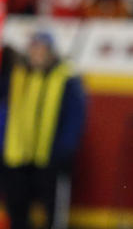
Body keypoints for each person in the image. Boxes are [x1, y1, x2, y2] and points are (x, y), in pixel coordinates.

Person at [1, 31, 87, 229]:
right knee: (16, 209)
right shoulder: (17, 75)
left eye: (41, 49)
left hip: (50, 156)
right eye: (33, 49)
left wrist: (64, 151)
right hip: (18, 155)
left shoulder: (66, 78)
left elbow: (74, 117)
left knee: (53, 212)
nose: (36, 54)